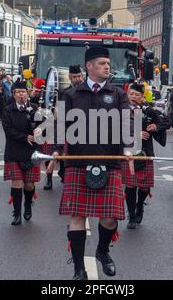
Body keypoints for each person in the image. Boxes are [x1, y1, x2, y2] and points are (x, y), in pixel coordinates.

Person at [52, 46, 132, 280]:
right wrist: (57, 150)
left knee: (110, 217)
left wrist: (128, 146)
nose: (107, 66)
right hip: (79, 162)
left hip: (109, 162)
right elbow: (59, 125)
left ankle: (102, 251)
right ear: (89, 67)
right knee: (77, 216)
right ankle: (78, 268)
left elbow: (127, 121)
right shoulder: (71, 94)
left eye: (108, 63)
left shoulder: (118, 94)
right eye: (102, 63)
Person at [121, 81, 170, 229]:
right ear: (127, 94)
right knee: (130, 185)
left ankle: (140, 205)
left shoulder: (148, 110)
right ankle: (131, 214)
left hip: (145, 152)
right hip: (128, 151)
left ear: (142, 96)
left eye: (137, 95)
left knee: (144, 186)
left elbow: (167, 122)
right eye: (131, 94)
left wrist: (156, 126)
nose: (134, 97)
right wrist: (136, 134)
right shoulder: (120, 110)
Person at [2, 79, 41, 225]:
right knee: (17, 183)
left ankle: (28, 206)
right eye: (17, 92)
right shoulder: (8, 110)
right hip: (14, 151)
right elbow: (8, 130)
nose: (21, 95)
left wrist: (39, 130)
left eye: (23, 92)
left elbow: (43, 126)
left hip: (31, 152)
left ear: (27, 93)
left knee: (29, 184)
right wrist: (25, 137)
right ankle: (16, 213)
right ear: (13, 94)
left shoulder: (35, 108)